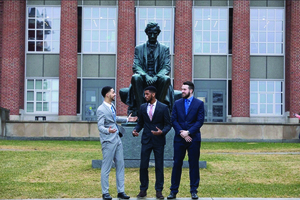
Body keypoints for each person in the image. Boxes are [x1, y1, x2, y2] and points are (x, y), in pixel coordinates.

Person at [97, 86, 137, 200]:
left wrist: (127, 119)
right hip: (108, 141)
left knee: (120, 165)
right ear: (107, 95)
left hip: (117, 139)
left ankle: (121, 192)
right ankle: (105, 193)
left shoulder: (112, 106)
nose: (115, 94)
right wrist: (107, 130)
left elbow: (114, 119)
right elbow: (100, 126)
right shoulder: (101, 109)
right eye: (113, 92)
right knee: (106, 167)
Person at [125, 22, 173, 115]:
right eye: (150, 33)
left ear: (158, 33)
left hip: (158, 79)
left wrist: (156, 76)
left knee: (166, 78)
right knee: (135, 77)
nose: (152, 35)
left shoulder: (164, 49)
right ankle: (141, 111)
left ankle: (159, 111)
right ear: (146, 33)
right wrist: (146, 76)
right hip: (143, 79)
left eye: (154, 33)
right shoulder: (139, 48)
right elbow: (136, 65)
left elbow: (166, 67)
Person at [132, 86, 172, 199]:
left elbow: (168, 124)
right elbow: (140, 122)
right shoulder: (142, 107)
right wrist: (136, 130)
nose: (145, 96)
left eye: (147, 94)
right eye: (144, 94)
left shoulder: (163, 107)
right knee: (143, 166)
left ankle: (159, 191)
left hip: (159, 141)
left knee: (159, 166)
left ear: (153, 94)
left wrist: (162, 132)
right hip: (146, 140)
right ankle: (143, 189)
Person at [167, 81, 205, 200]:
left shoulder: (199, 104)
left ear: (191, 90)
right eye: (182, 89)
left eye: (184, 89)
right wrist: (182, 133)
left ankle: (194, 190)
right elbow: (173, 120)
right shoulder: (177, 103)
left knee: (193, 164)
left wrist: (188, 132)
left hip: (194, 139)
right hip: (179, 139)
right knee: (177, 164)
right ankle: (173, 191)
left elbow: (200, 121)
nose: (182, 91)